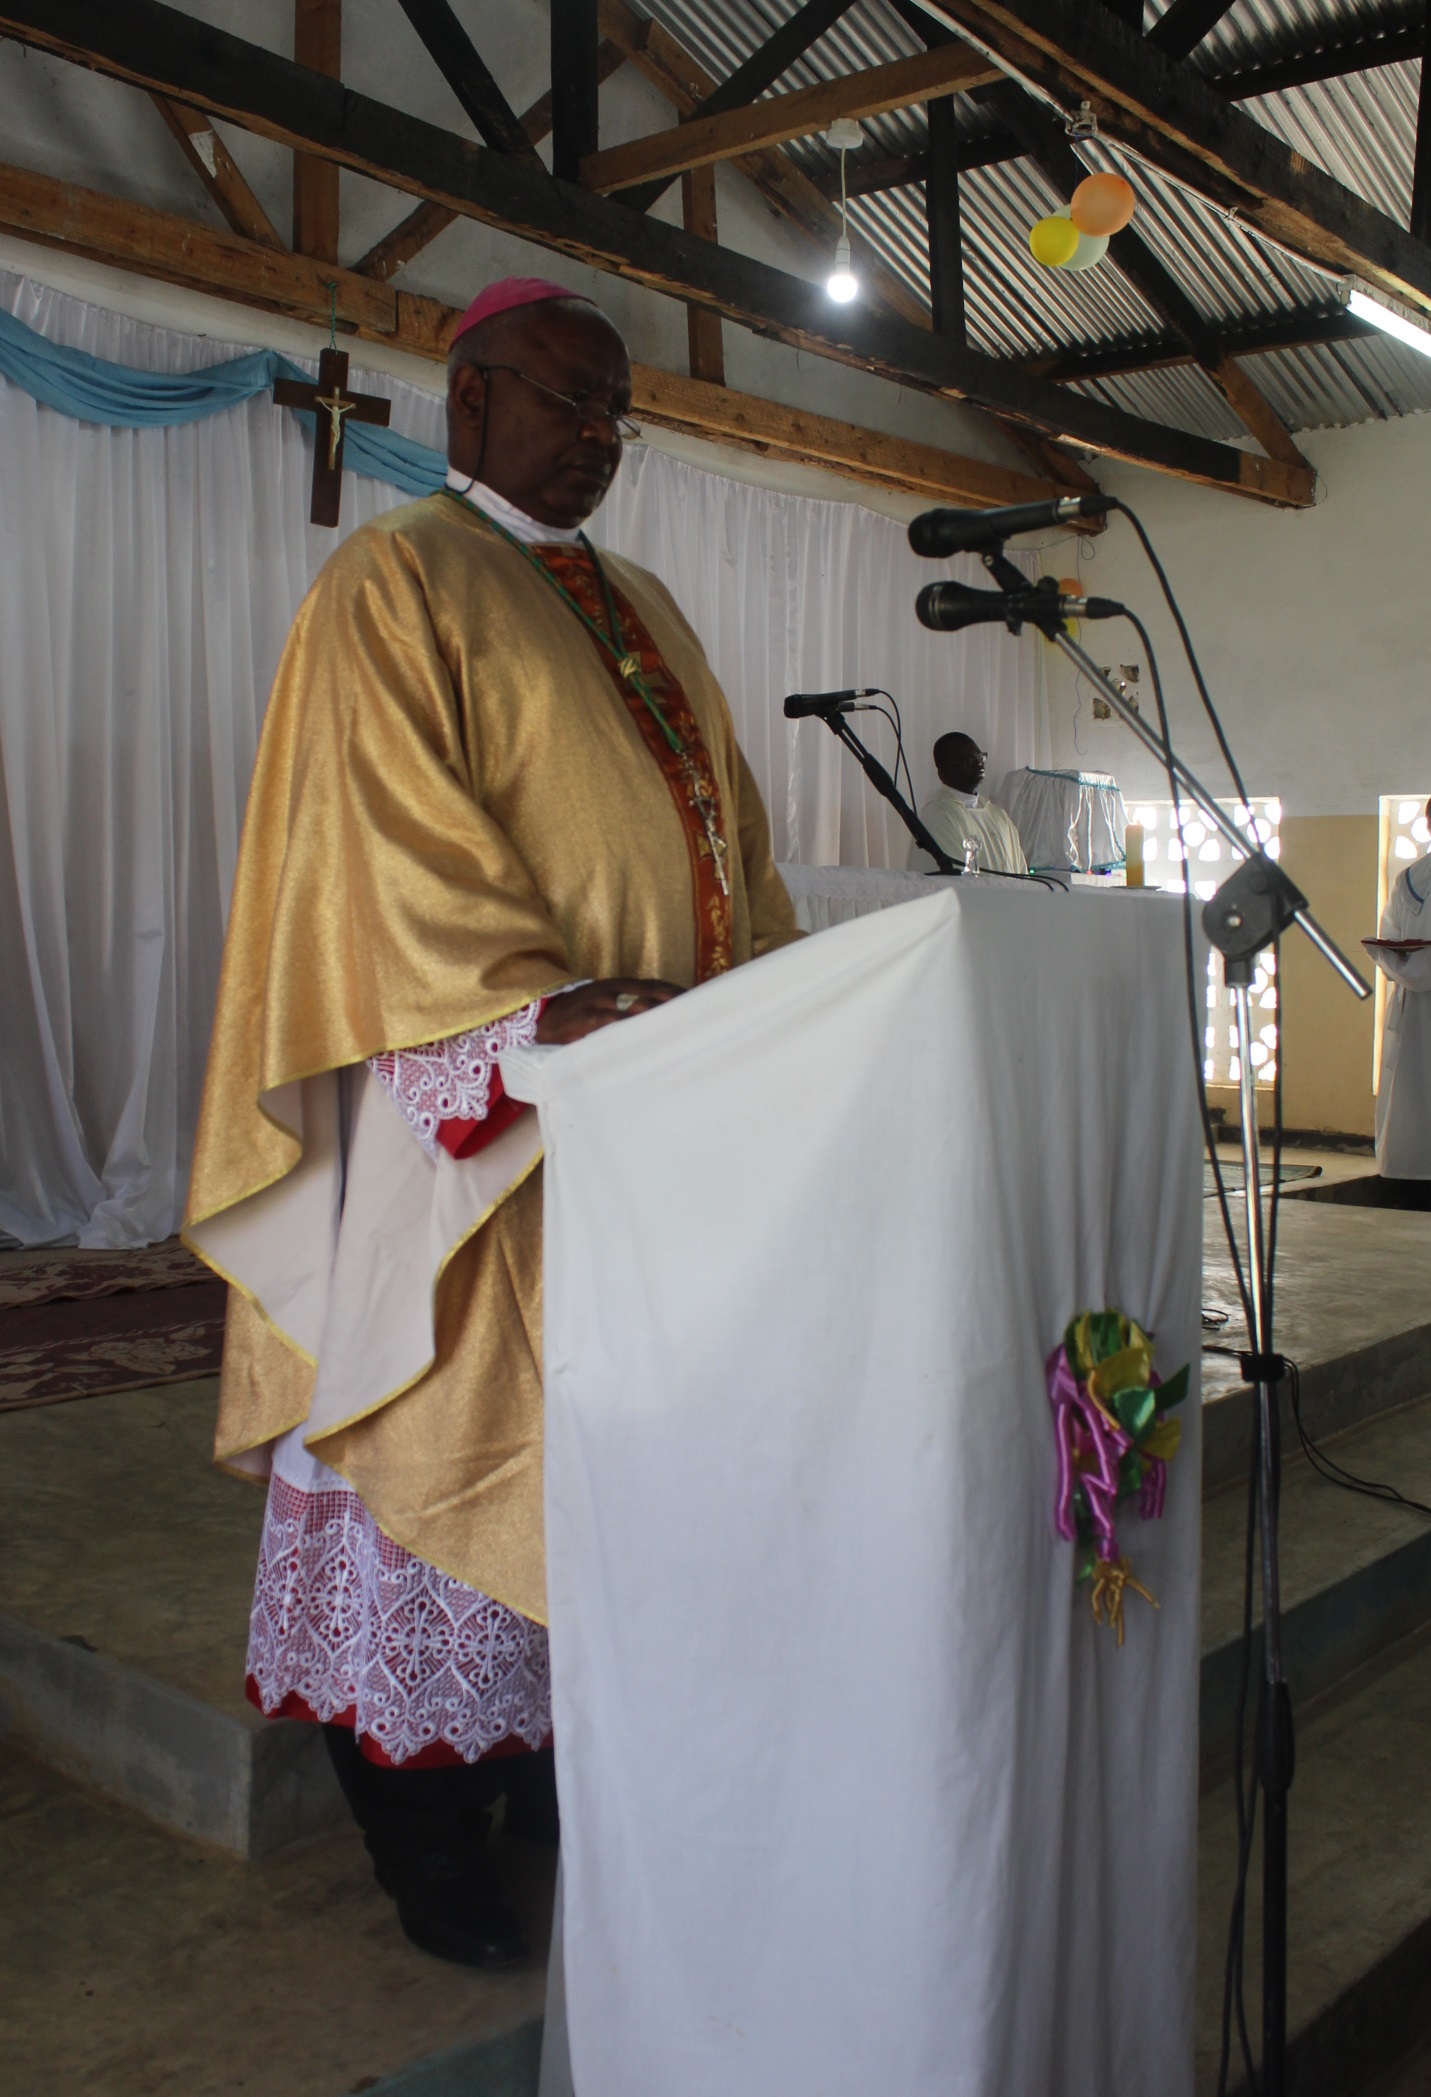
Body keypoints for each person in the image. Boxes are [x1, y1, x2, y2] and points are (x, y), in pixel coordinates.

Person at [184, 277, 800, 1969]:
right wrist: (542, 1006)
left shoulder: (652, 608)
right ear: (467, 403)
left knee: (602, 1485)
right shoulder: (389, 581)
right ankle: (422, 1846)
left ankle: (546, 1792)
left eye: (616, 417)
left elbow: (731, 853)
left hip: (638, 1136)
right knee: (433, 1470)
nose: (595, 440)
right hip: (452, 1120)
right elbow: (370, 849)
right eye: (563, 403)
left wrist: (769, 1010)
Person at [1372, 797, 1431, 1178]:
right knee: (1414, 1097)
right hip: (1416, 1013)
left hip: (1417, 1001)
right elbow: (1389, 938)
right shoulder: (1410, 880)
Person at [905, 731, 1028, 875]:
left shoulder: (998, 815)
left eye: (980, 757)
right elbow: (951, 879)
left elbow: (1021, 873)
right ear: (943, 772)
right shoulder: (938, 815)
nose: (978, 764)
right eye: (967, 761)